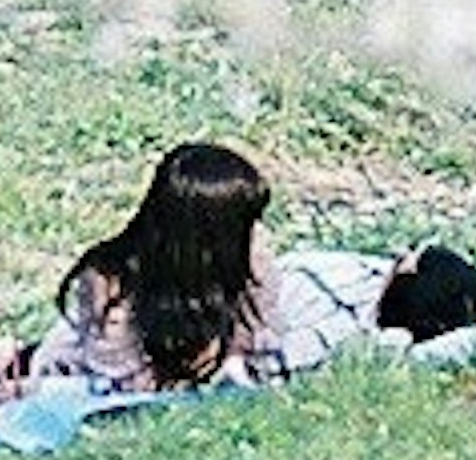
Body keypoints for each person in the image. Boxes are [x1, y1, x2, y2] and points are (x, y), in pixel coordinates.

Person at [28, 139, 295, 400]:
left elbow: (260, 340)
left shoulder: (250, 256)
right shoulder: (111, 282)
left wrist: (236, 362)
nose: (255, 232)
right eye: (244, 225)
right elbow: (120, 374)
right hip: (111, 361)